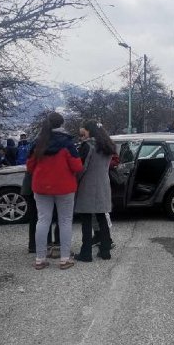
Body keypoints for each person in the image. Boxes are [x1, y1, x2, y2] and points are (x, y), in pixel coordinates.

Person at [27, 112, 83, 270]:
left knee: (43, 220)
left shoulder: (38, 142)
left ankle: (40, 259)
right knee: (65, 221)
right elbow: (77, 167)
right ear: (62, 124)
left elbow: (30, 166)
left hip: (41, 187)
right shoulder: (67, 143)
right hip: (65, 187)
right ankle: (64, 259)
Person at [74, 120, 114, 262]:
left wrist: (75, 181)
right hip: (103, 184)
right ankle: (105, 251)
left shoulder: (88, 145)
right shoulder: (107, 145)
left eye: (84, 130)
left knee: (86, 219)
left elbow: (81, 168)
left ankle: (86, 253)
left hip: (88, 185)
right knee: (102, 217)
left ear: (89, 130)